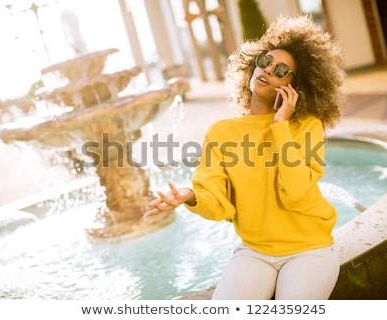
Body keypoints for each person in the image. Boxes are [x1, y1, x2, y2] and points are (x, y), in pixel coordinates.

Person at [144, 15, 345, 300]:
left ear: (294, 87)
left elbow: (297, 195)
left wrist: (280, 126)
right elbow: (218, 203)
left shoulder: (306, 126)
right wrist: (190, 195)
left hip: (309, 248)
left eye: (281, 70)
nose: (268, 70)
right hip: (255, 250)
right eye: (265, 62)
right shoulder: (221, 132)